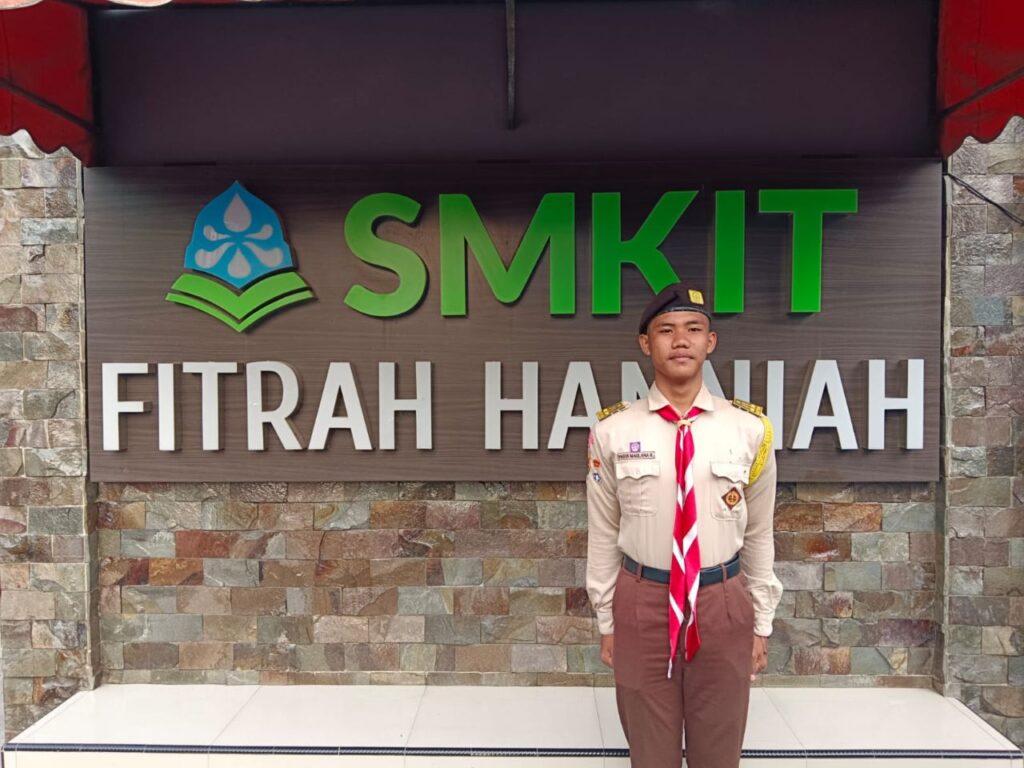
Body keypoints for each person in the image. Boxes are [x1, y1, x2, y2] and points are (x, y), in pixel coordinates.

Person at [586, 283, 783, 768]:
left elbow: (759, 533)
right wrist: (607, 620)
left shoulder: (750, 429)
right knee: (651, 752)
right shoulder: (612, 431)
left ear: (710, 342)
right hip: (643, 601)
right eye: (665, 330)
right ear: (645, 343)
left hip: (722, 600)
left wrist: (762, 621)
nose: (680, 340)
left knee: (719, 751)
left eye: (693, 329)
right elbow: (603, 533)